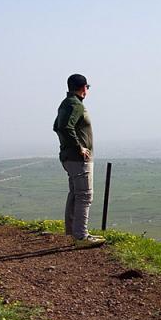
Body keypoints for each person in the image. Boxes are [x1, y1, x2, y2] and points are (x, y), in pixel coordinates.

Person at [53, 73, 103, 244]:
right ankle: (81, 236)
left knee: (76, 194)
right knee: (85, 196)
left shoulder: (65, 104)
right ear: (83, 88)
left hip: (69, 157)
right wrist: (79, 147)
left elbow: (57, 126)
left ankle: (74, 233)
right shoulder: (76, 105)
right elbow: (65, 127)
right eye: (87, 87)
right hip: (78, 159)